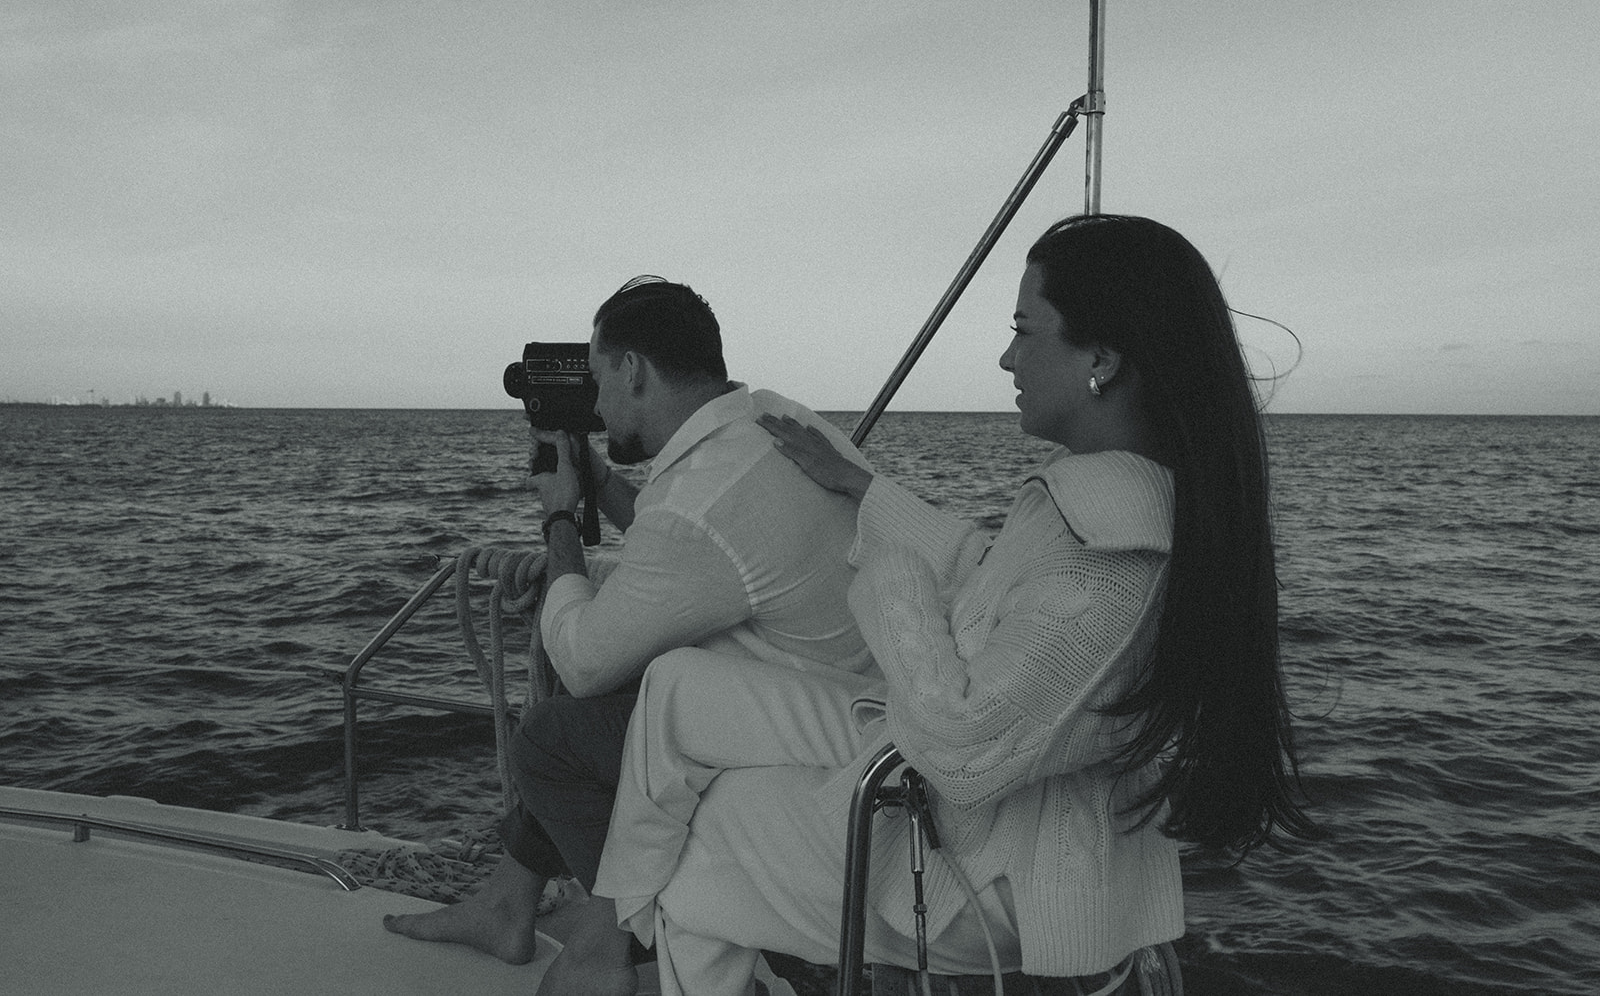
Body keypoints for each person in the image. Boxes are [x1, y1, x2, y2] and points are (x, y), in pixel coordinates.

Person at [554, 215, 1320, 996]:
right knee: (677, 683)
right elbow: (988, 575)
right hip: (943, 772)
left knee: (693, 855)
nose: (1007, 355)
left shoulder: (1115, 553)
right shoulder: (1096, 498)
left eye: (1026, 331)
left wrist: (887, 566)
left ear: (1102, 359)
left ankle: (618, 927)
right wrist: (861, 489)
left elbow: (963, 746)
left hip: (986, 874)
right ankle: (620, 919)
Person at [382, 276, 879, 975]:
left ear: (633, 369)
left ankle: (638, 941)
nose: (594, 402)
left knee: (552, 741)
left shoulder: (699, 503)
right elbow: (689, 538)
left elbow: (585, 654)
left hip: (808, 743)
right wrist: (594, 476)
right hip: (846, 700)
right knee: (619, 674)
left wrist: (560, 518)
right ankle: (508, 902)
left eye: (595, 379)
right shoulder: (769, 422)